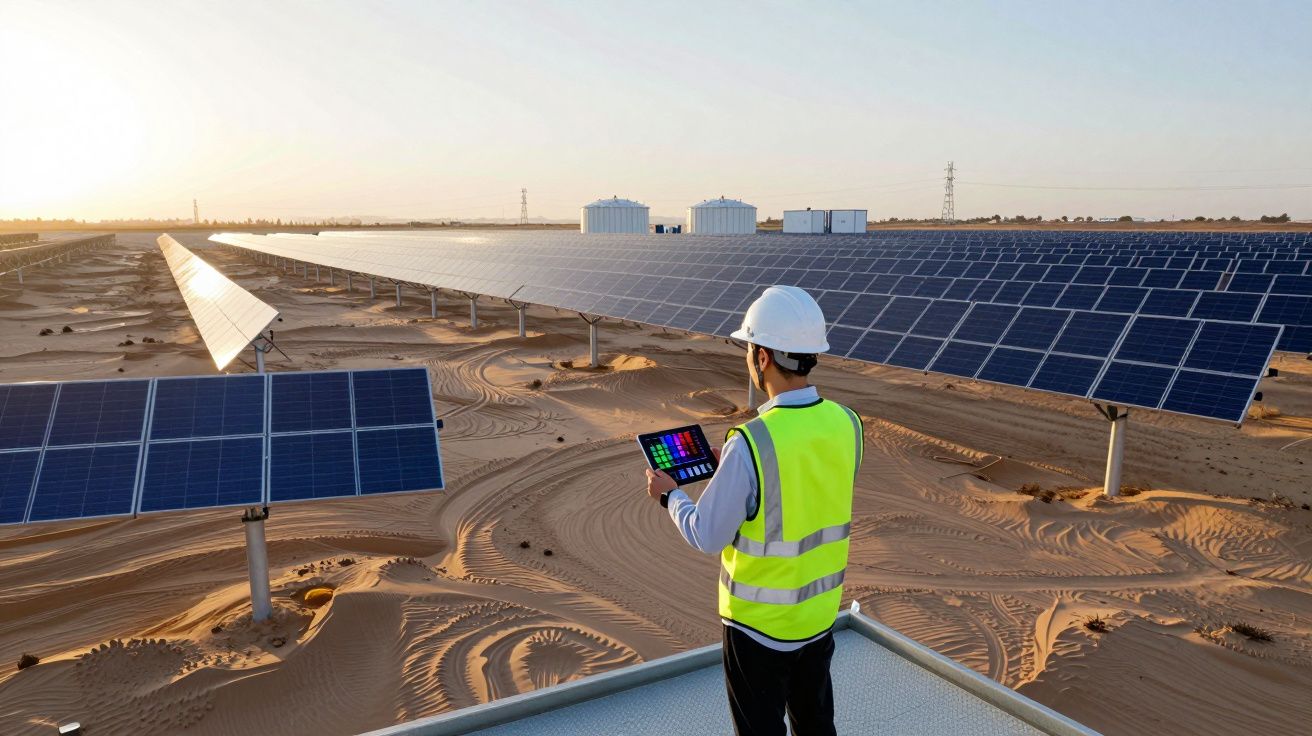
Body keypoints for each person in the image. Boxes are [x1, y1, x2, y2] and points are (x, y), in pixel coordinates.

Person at [646, 285, 863, 736]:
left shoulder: (751, 442)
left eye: (749, 347)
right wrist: (734, 471)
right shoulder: (848, 423)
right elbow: (806, 484)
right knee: (817, 725)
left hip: (758, 631)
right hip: (819, 618)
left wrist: (671, 496)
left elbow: (706, 534)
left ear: (762, 357)